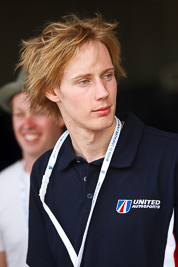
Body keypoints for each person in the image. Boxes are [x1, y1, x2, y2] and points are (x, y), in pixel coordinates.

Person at [17, 14, 178, 267]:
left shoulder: (170, 154)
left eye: (107, 75)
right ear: (52, 90)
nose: (103, 93)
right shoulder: (45, 172)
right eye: (84, 81)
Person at [0, 68, 65, 267]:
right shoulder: (1, 187)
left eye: (38, 112)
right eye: (19, 114)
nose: (27, 124)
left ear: (61, 116)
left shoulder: (89, 177)